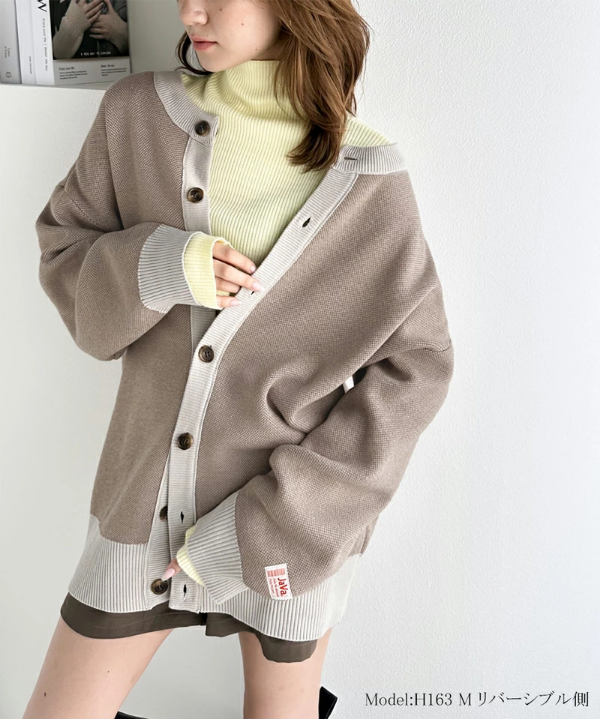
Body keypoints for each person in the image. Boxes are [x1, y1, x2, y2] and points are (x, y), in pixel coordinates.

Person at [24, 1, 455, 717]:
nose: (190, 11)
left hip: (290, 530)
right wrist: (160, 266)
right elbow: (64, 255)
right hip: (141, 507)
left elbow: (418, 365)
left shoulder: (367, 175)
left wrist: (271, 527)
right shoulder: (135, 116)